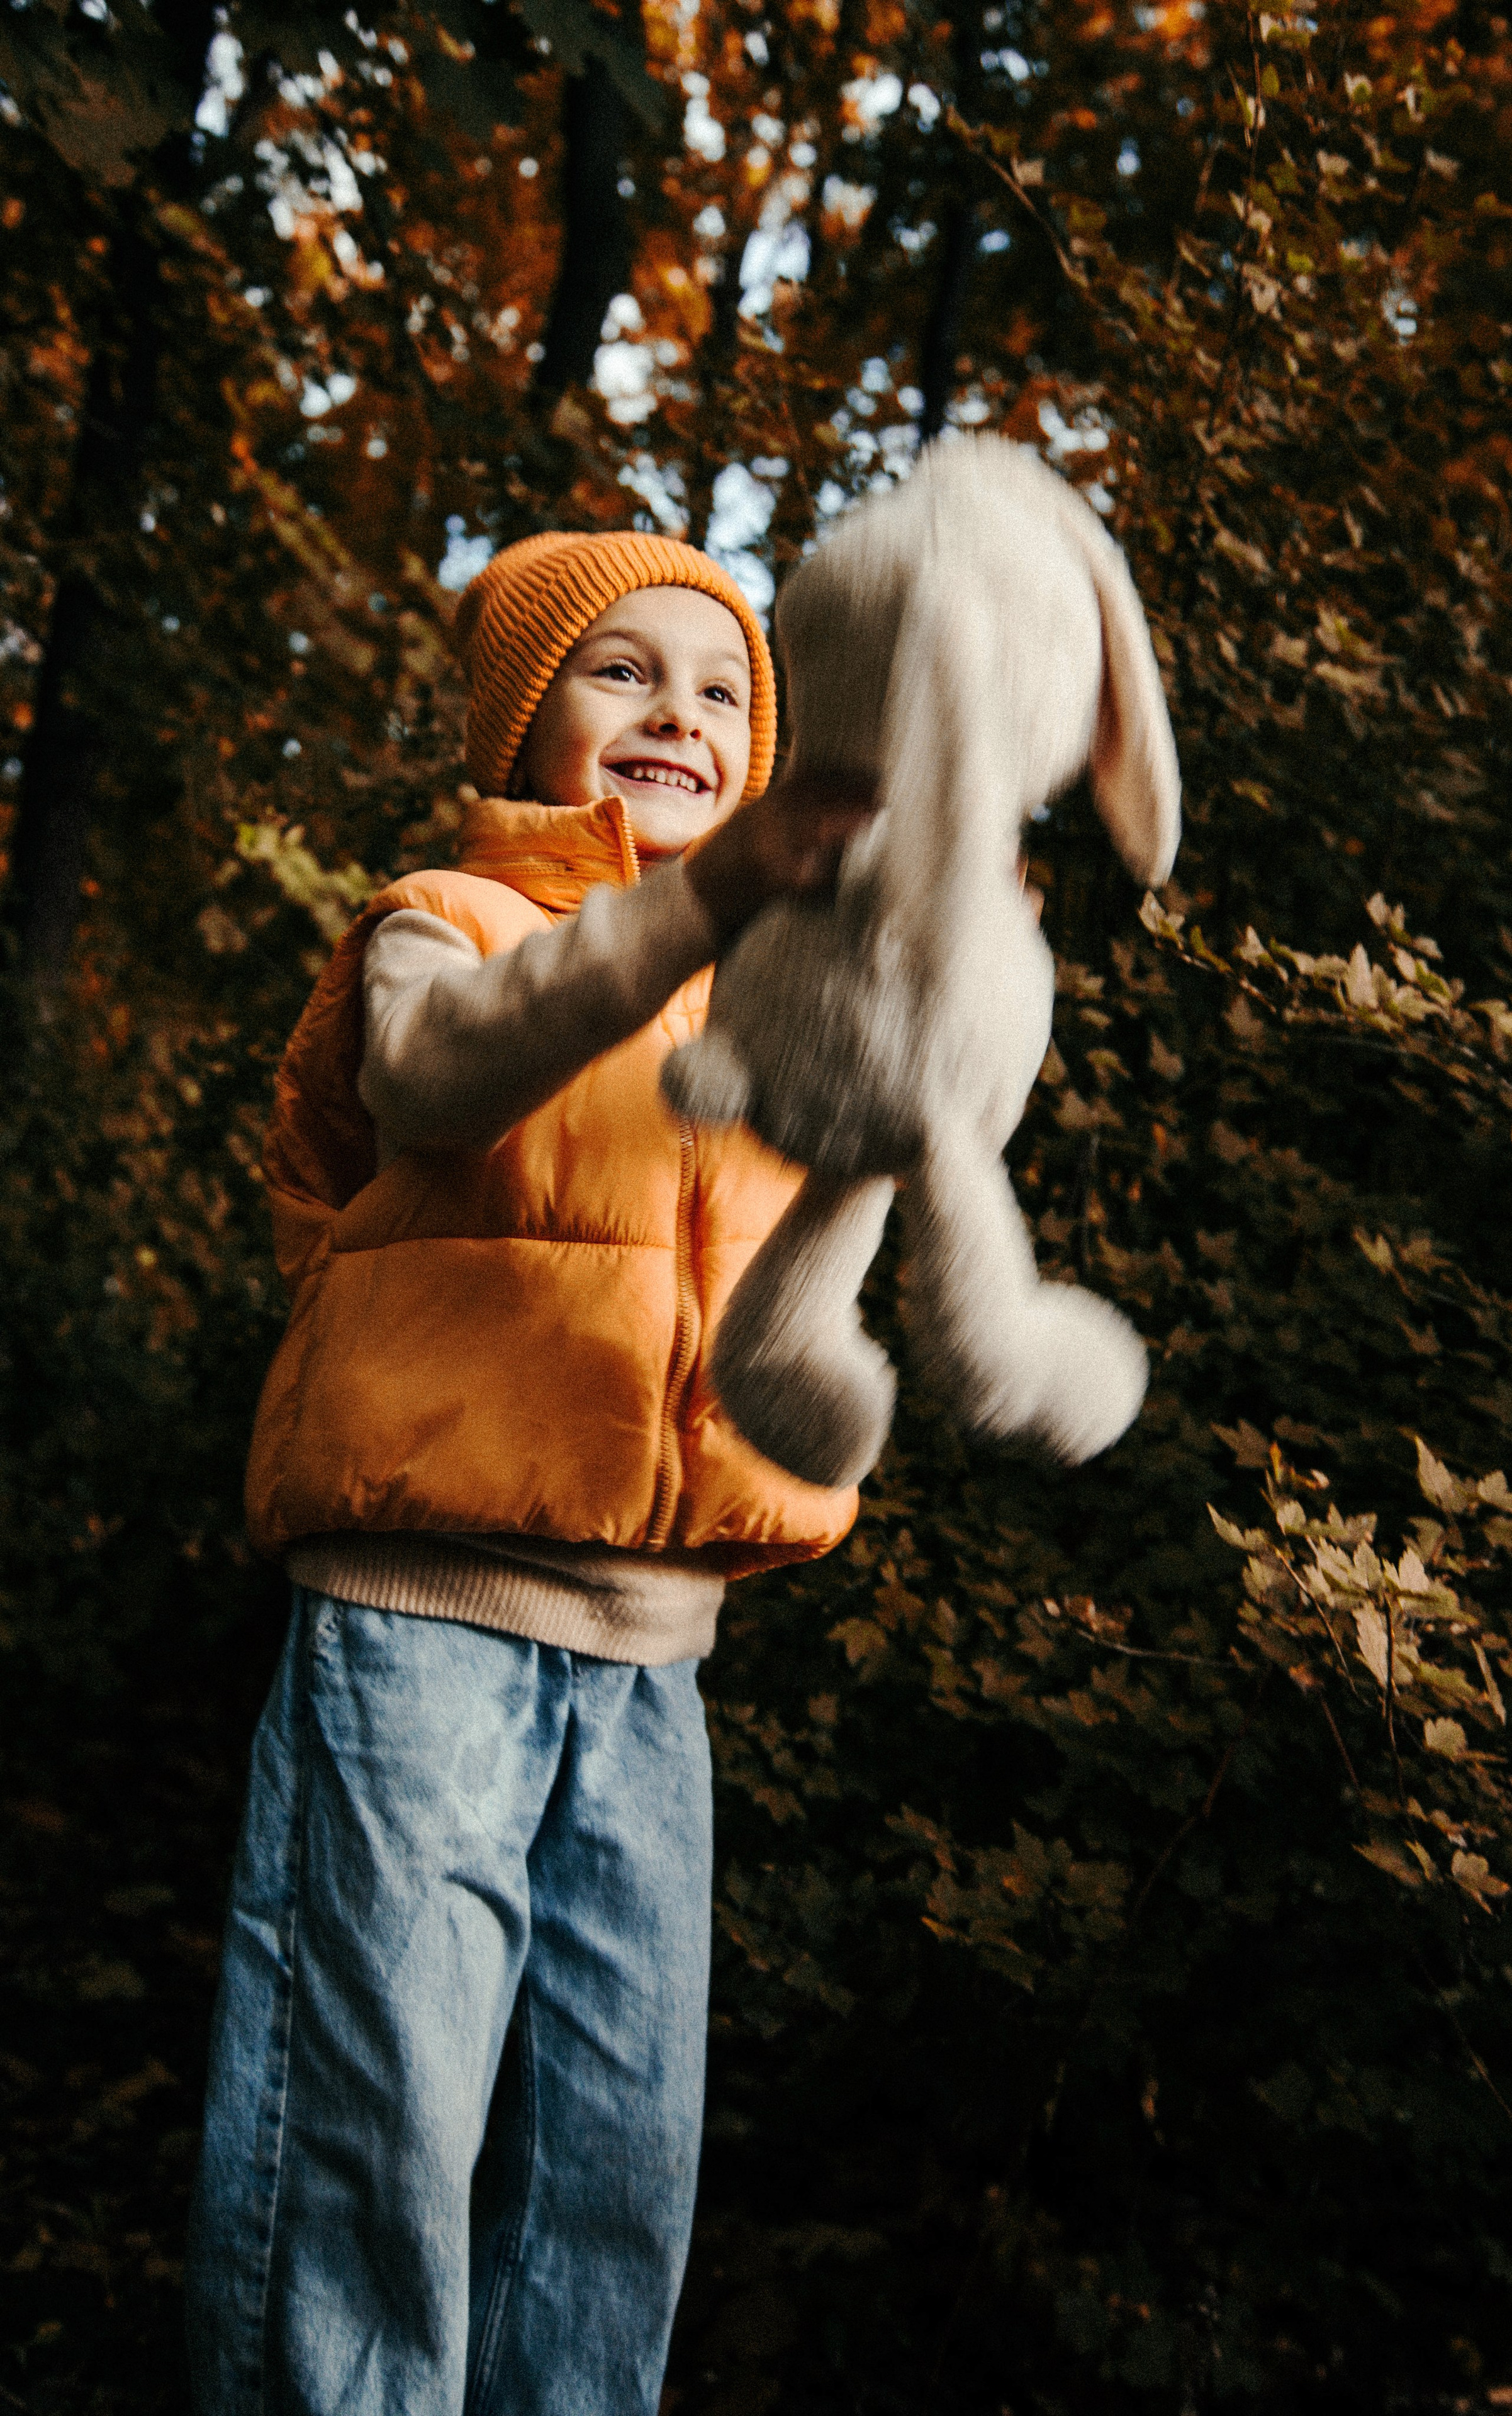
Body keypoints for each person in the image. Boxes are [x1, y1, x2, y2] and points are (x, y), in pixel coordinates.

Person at [186, 530, 876, 2416]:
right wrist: (707, 897)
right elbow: (431, 1083)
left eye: (723, 688)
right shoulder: (447, 922)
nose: (682, 713)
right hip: (421, 1620)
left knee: (615, 2167)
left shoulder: (767, 1002)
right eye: (624, 671)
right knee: (378, 2119)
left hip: (655, 1652)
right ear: (524, 722)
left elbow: (848, 1217)